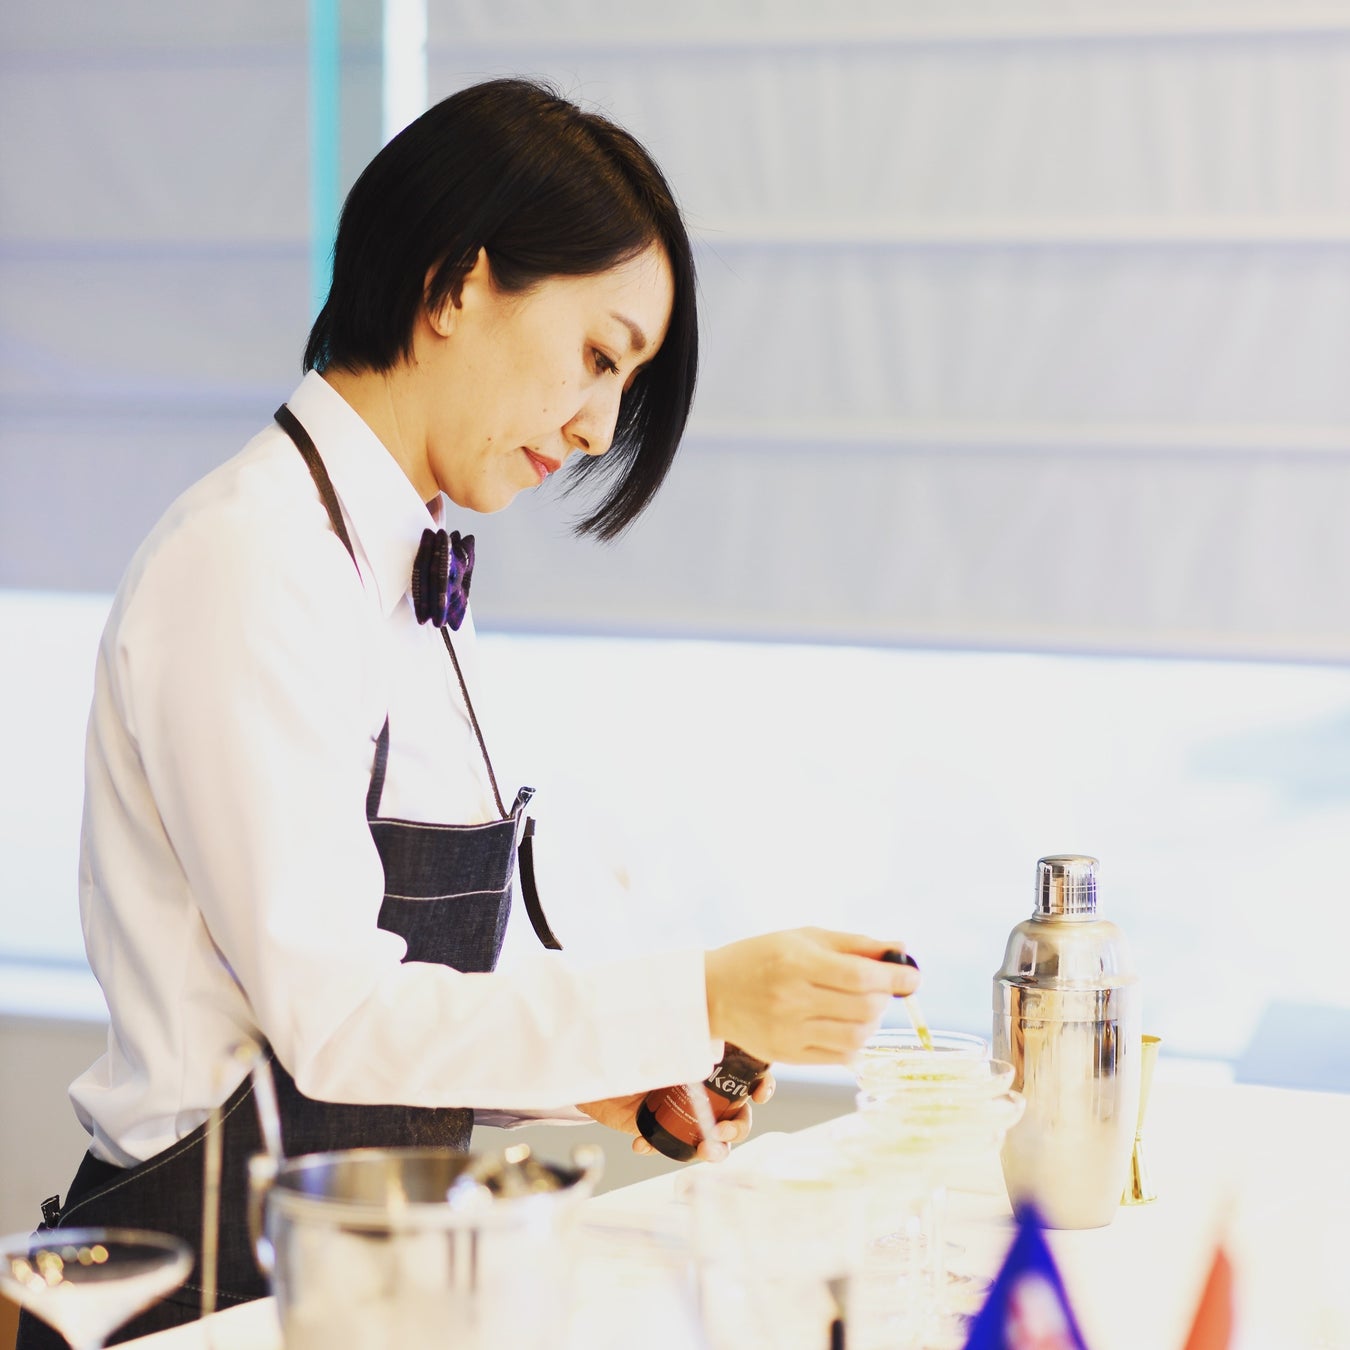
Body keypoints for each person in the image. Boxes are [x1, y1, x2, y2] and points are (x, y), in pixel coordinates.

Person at [16, 77, 919, 1347]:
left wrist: (607, 1076)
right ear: (452, 286)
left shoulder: (398, 560)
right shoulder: (253, 560)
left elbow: (415, 1000)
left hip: (353, 1273)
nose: (600, 427)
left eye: (626, 381)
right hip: (207, 1293)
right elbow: (337, 1025)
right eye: (598, 357)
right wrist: (702, 994)